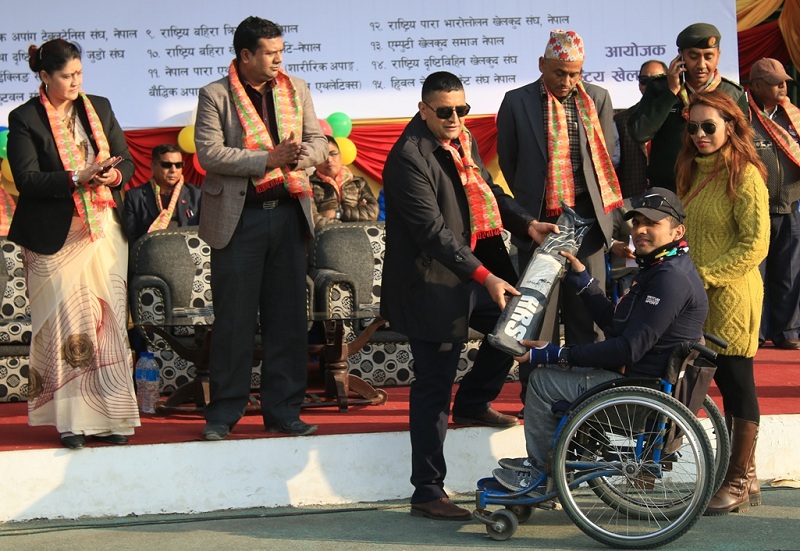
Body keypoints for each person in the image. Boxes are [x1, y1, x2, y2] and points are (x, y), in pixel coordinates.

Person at [381, 71, 558, 520]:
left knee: (514, 327)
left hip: (477, 267)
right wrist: (485, 276)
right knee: (434, 384)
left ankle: (475, 401)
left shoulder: (463, 140)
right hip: (432, 282)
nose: (455, 118)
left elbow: (488, 192)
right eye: (445, 111)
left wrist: (526, 224)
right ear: (423, 110)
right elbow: (433, 233)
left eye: (462, 109)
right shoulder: (407, 157)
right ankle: (427, 490)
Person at [491, 187, 708, 493]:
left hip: (641, 397)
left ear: (677, 231)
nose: (640, 230)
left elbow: (628, 348)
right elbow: (617, 325)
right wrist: (585, 283)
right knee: (559, 369)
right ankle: (560, 463)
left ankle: (540, 476)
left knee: (541, 381)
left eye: (652, 223)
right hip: (641, 385)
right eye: (637, 222)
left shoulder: (669, 279)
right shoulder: (661, 268)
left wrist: (555, 354)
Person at [194, 16, 327, 440]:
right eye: (270, 53)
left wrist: (301, 155)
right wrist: (268, 159)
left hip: (289, 214)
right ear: (246, 55)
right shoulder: (215, 95)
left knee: (287, 319)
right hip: (239, 220)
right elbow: (209, 153)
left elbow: (320, 142)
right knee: (234, 321)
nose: (278, 60)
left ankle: (284, 411)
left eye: (281, 52)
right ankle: (223, 413)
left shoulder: (296, 89)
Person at [6, 38, 139, 449]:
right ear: (45, 77)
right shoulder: (25, 117)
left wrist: (112, 176)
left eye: (79, 73)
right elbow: (27, 179)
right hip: (56, 236)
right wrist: (76, 177)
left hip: (103, 228)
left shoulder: (99, 107)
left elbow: (126, 159)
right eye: (67, 76)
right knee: (66, 325)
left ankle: (110, 416)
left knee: (107, 322)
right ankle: (71, 422)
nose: (76, 82)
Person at [496, 29, 623, 407]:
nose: (568, 81)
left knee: (589, 315)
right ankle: (537, 398)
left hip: (588, 224)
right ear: (542, 65)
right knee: (539, 316)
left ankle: (589, 398)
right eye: (559, 73)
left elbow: (607, 156)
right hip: (541, 224)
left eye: (575, 73)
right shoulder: (516, 102)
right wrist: (534, 208)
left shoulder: (598, 98)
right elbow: (509, 161)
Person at [675, 90, 770, 514]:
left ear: (730, 127)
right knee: (699, 381)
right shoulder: (690, 170)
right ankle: (744, 475)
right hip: (695, 299)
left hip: (732, 297)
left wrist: (705, 277)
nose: (700, 134)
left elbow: (755, 245)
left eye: (709, 126)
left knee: (736, 383)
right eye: (693, 127)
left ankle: (738, 481)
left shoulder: (745, 174)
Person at [628, 22, 747, 192]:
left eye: (708, 57)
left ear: (718, 56)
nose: (701, 65)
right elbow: (640, 133)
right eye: (693, 56)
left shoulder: (731, 93)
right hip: (668, 188)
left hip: (714, 187)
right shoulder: (660, 87)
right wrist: (671, 92)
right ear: (681, 56)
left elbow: (743, 145)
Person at [747, 58, 800, 350]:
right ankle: (755, 331)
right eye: (775, 83)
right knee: (757, 274)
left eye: (784, 82)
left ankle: (787, 330)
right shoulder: (743, 117)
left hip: (790, 204)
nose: (782, 87)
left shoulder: (792, 116)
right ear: (756, 86)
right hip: (755, 209)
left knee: (789, 273)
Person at [123, 143, 202, 244]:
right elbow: (131, 238)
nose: (173, 170)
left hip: (187, 250)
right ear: (153, 165)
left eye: (178, 165)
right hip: (151, 250)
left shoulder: (197, 195)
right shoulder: (135, 197)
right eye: (167, 165)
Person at [614, 60, 668, 198]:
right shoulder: (622, 120)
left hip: (670, 195)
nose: (650, 86)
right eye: (644, 81)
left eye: (656, 80)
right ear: (639, 85)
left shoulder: (678, 116)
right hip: (634, 198)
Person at [310, 135, 378, 230]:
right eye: (323, 156)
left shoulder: (358, 183)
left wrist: (337, 213)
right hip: (328, 237)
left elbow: (372, 213)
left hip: (358, 236)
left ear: (340, 155)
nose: (329, 160)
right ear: (314, 161)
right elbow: (313, 219)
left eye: (333, 154)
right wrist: (356, 215)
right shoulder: (309, 185)